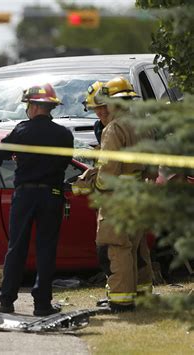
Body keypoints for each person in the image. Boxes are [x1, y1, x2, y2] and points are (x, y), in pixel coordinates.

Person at [0, 83, 74, 317]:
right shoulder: (64, 134)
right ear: (50, 107)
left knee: (17, 248)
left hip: (25, 195)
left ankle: (7, 301)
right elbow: (65, 165)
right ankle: (42, 304)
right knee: (46, 250)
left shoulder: (21, 131)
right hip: (52, 195)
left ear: (32, 106)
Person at [92, 76, 153, 312]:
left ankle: (120, 299)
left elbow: (108, 170)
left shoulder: (115, 128)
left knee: (115, 246)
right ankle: (142, 292)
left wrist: (92, 186)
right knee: (136, 246)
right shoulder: (143, 125)